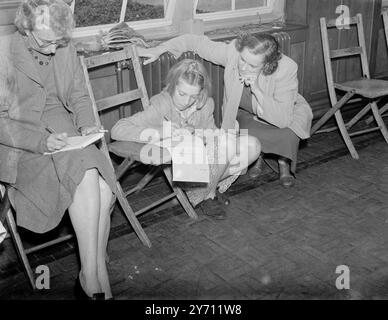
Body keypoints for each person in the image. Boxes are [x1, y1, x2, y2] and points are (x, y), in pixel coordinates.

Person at [0, 0, 115, 299]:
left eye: (60, 42)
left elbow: (78, 94)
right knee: (91, 178)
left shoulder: (64, 46)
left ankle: (91, 273)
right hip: (22, 142)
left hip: (64, 131)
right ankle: (94, 275)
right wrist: (40, 142)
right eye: (48, 42)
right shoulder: (3, 54)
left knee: (103, 188)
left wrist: (88, 125)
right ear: (27, 29)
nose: (54, 49)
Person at [137, 32, 313, 187]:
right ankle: (211, 184)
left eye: (252, 66)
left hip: (280, 110)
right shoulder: (233, 52)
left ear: (267, 66)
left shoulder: (286, 68)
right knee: (244, 137)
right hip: (244, 111)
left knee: (287, 131)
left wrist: (258, 91)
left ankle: (282, 162)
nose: (243, 67)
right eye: (242, 60)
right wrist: (160, 49)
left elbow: (283, 119)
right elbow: (195, 42)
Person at [111, 59, 261, 219]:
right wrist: (160, 131)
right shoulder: (161, 104)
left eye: (193, 96)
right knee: (227, 144)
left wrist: (221, 132)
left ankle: (204, 191)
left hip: (202, 161)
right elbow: (117, 130)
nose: (186, 101)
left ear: (201, 92)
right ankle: (208, 195)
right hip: (183, 166)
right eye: (181, 94)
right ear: (172, 85)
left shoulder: (205, 104)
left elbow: (211, 134)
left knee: (252, 145)